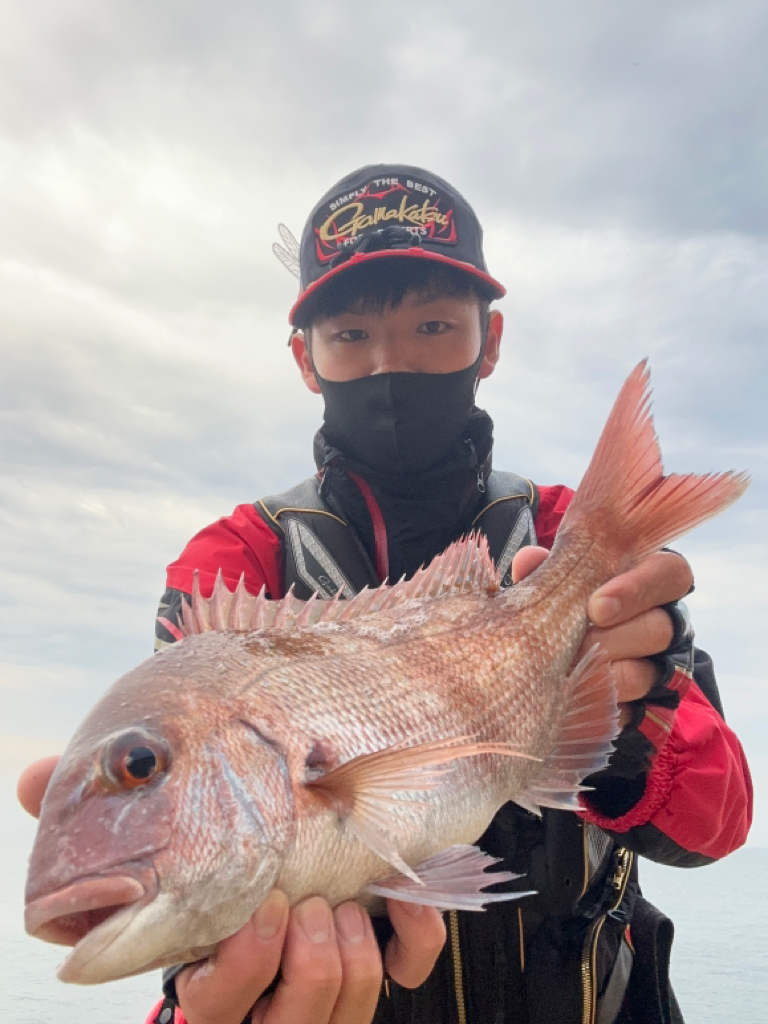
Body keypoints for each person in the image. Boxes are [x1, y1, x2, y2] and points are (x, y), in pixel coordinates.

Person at [18, 164, 752, 1024]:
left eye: (435, 327)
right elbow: (210, 869)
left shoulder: (567, 543)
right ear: (306, 358)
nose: (391, 365)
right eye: (351, 337)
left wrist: (641, 710)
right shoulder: (232, 564)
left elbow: (719, 824)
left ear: (492, 341)